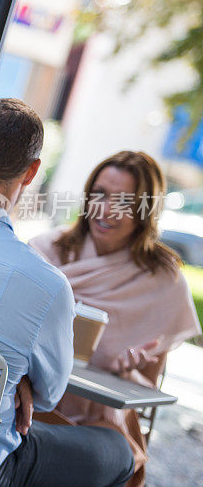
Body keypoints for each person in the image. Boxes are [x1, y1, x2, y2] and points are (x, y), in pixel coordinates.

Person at [0, 98, 135, 487]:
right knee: (121, 452)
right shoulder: (48, 285)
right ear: (31, 173)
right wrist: (16, 378)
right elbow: (47, 398)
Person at [30, 150, 202, 486]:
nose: (105, 210)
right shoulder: (44, 252)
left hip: (95, 426)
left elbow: (147, 389)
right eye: (100, 194)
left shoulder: (162, 280)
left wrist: (128, 374)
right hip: (25, 405)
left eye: (125, 201)